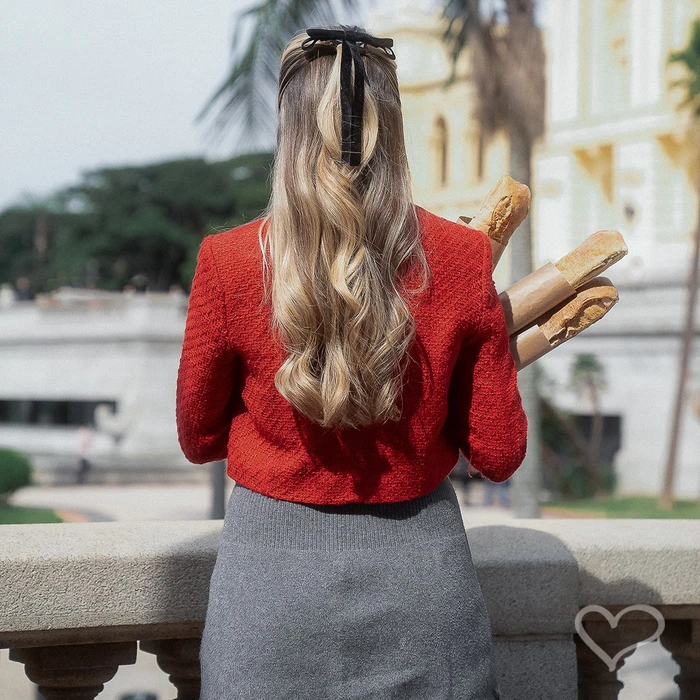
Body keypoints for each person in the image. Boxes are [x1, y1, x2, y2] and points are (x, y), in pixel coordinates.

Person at [176, 24, 527, 700]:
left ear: (290, 127)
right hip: (424, 582)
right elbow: (500, 452)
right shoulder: (461, 259)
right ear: (392, 127)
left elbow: (199, 438)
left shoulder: (228, 262)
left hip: (268, 591)